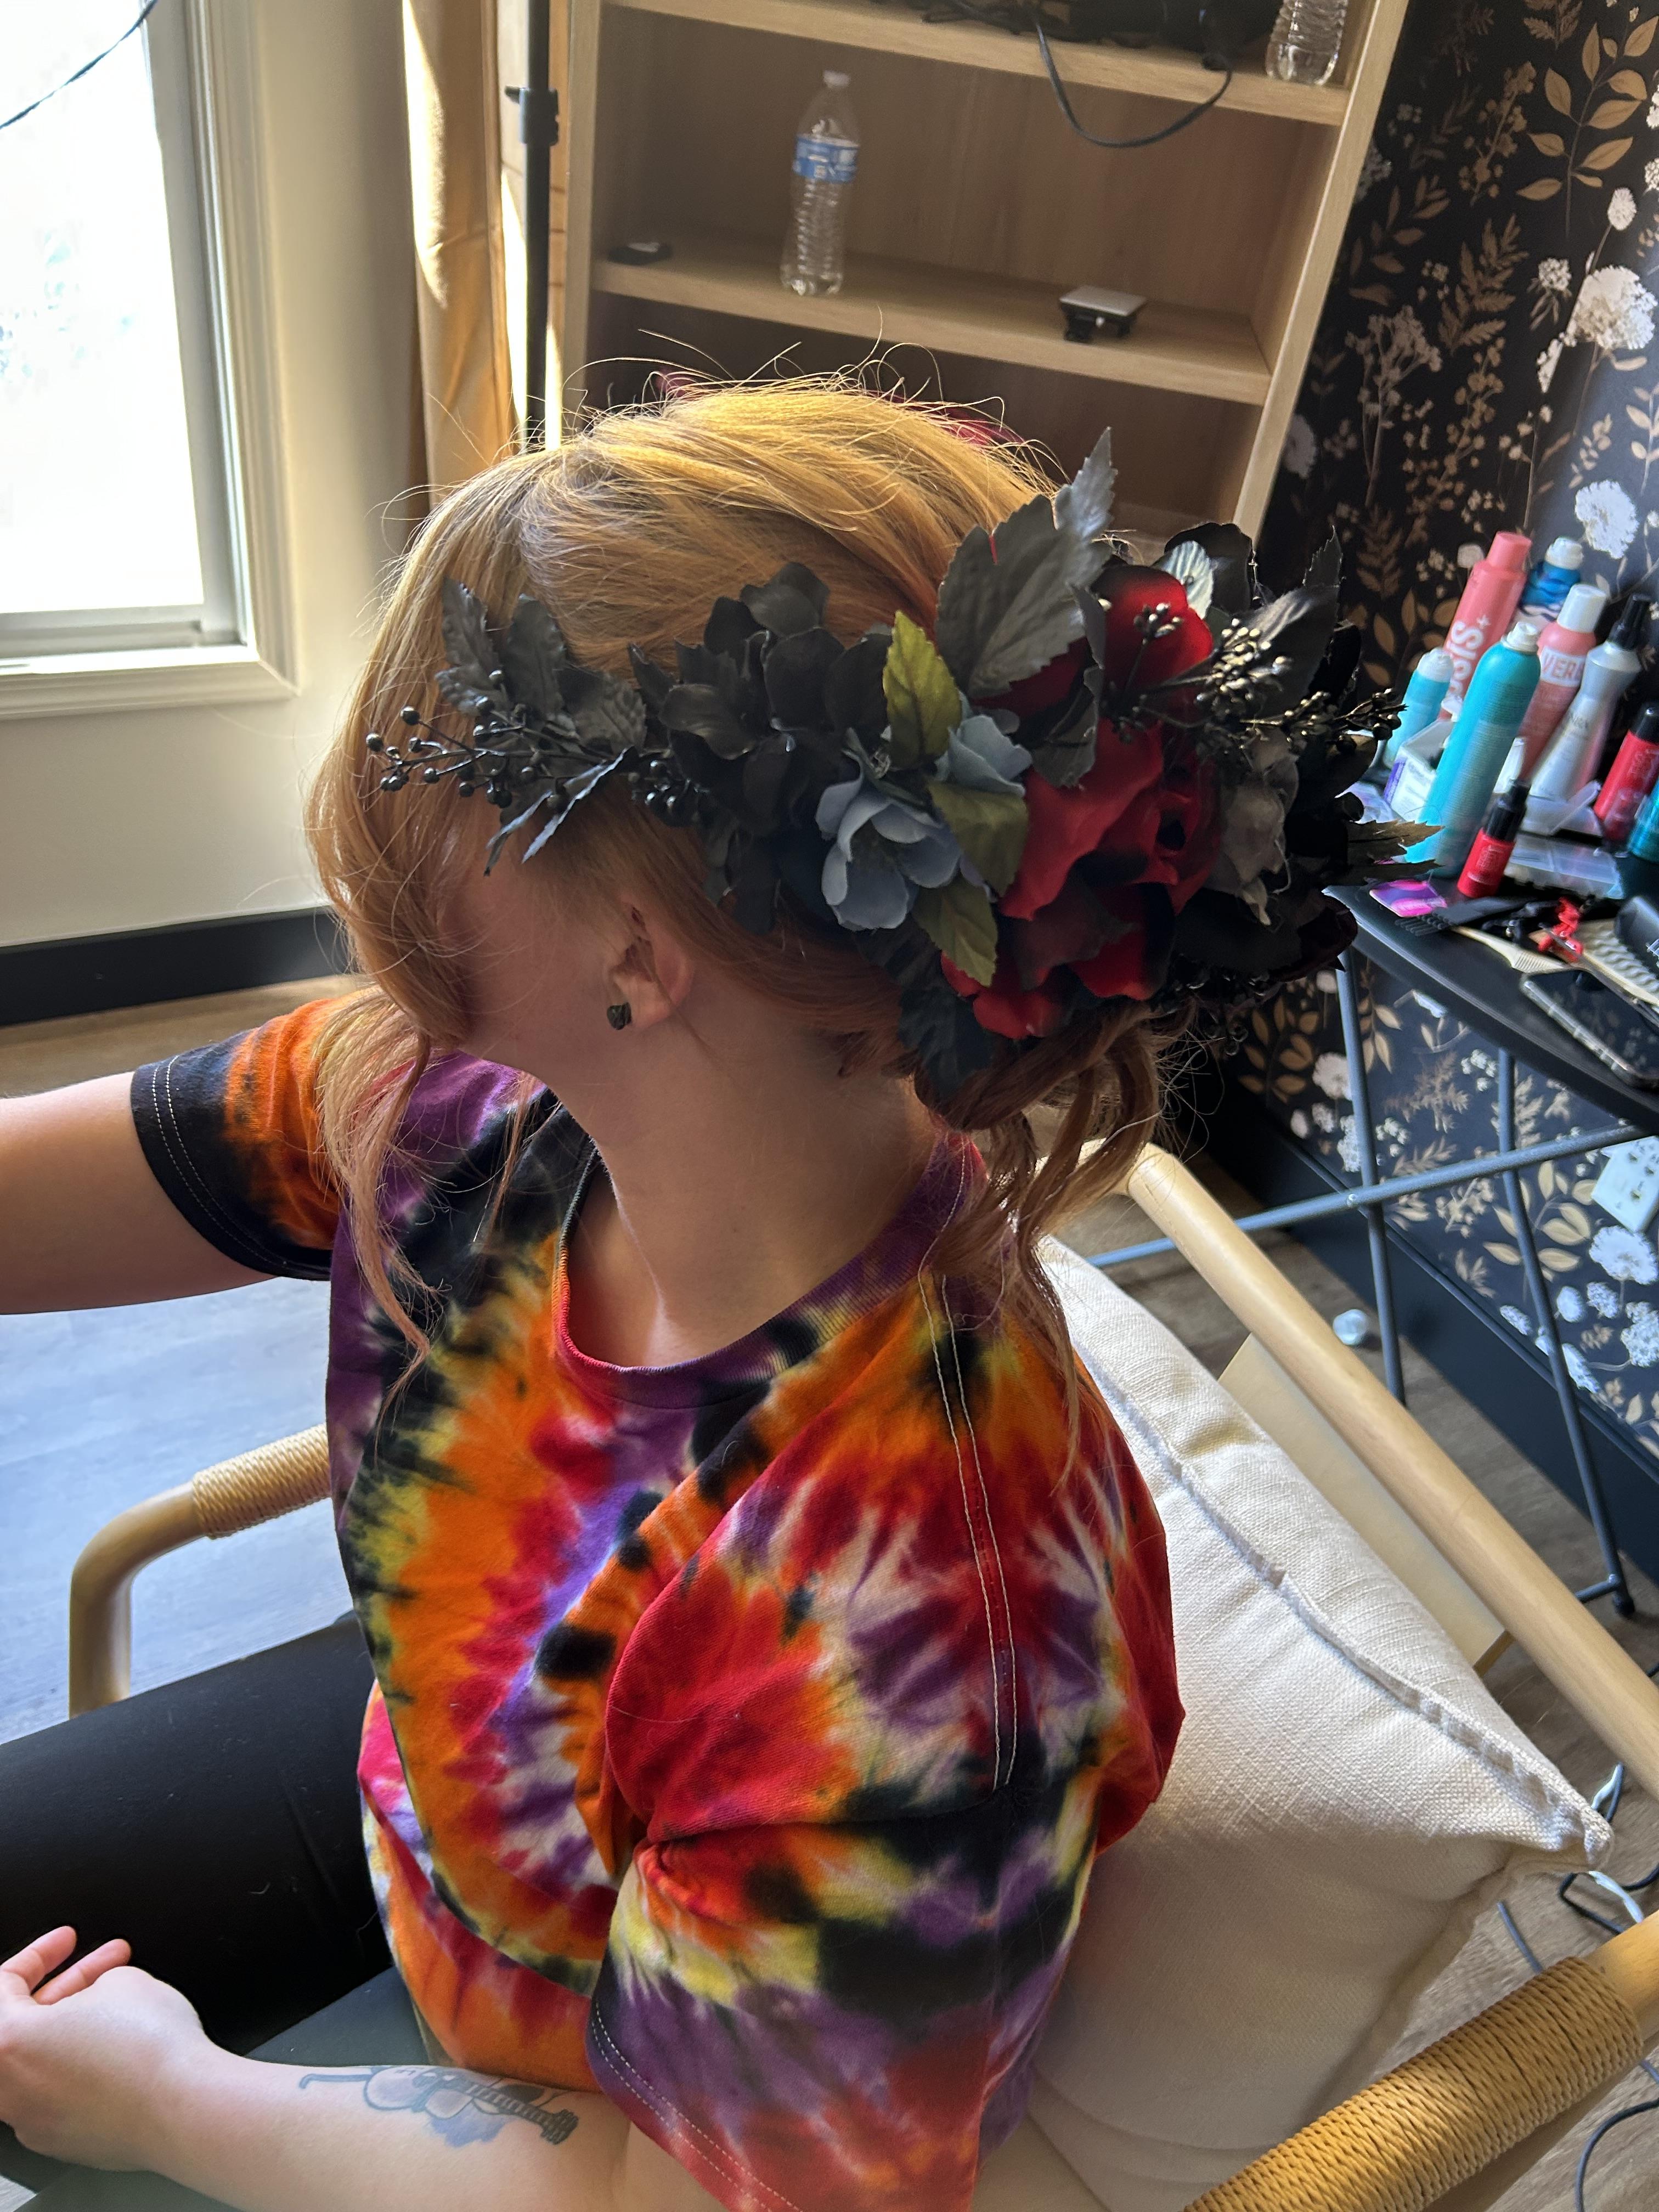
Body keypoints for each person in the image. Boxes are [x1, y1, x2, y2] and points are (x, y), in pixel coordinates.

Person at [0, 381, 1373, 2212]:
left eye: (425, 781)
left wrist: (171, 2105)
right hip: (430, 1799)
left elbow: (700, 2199)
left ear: (638, 953)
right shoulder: (467, 1102)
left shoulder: (917, 1626)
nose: (375, 837)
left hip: (621, 2122)